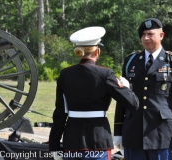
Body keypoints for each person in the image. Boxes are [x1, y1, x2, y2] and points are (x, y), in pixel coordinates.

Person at [48, 26, 139, 160]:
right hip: (98, 141)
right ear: (97, 51)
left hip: (72, 142)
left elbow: (60, 113)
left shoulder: (65, 74)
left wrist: (54, 147)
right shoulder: (105, 74)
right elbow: (133, 104)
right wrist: (125, 87)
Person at [113, 18, 172, 160]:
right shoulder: (131, 60)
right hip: (133, 133)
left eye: (150, 34)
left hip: (162, 134)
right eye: (143, 35)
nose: (146, 38)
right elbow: (123, 98)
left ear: (161, 35)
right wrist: (118, 131)